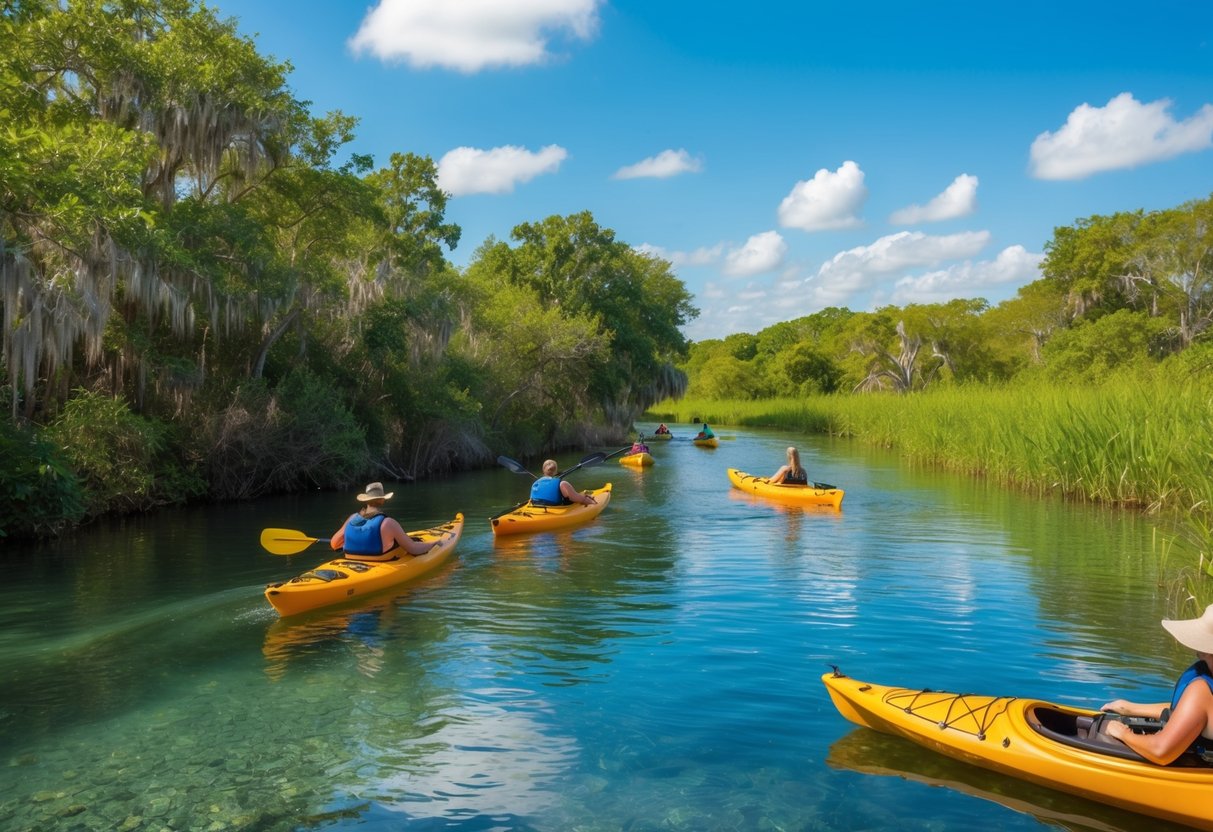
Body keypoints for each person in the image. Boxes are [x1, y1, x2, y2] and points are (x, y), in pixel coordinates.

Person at [1099, 604, 1213, 765]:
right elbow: (1193, 712)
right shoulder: (1204, 691)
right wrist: (1131, 708)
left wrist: (1123, 733)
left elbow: (1161, 751)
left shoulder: (1201, 690)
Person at [330, 482, 436, 560]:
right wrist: (434, 544)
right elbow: (413, 549)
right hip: (380, 562)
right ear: (382, 500)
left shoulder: (352, 518)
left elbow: (334, 544)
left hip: (351, 560)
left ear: (366, 500)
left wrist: (356, 540)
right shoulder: (388, 523)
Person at [530, 459, 597, 507]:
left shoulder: (536, 484)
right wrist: (594, 503)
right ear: (556, 471)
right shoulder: (562, 484)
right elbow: (580, 499)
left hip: (535, 507)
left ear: (543, 470)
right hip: (554, 509)